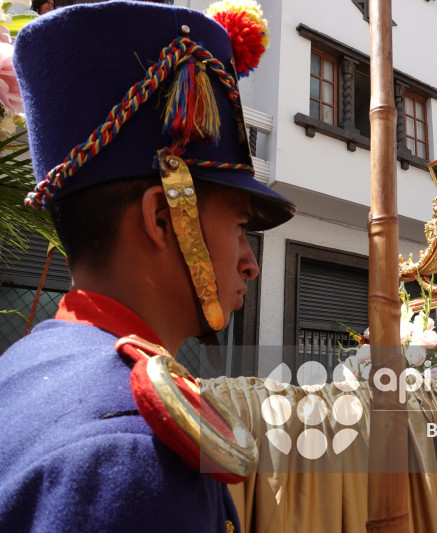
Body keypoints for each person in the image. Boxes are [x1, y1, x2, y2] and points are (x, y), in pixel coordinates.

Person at [0, 1, 295, 531]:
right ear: (163, 218)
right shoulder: (133, 456)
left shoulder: (22, 364)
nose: (249, 263)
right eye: (238, 227)